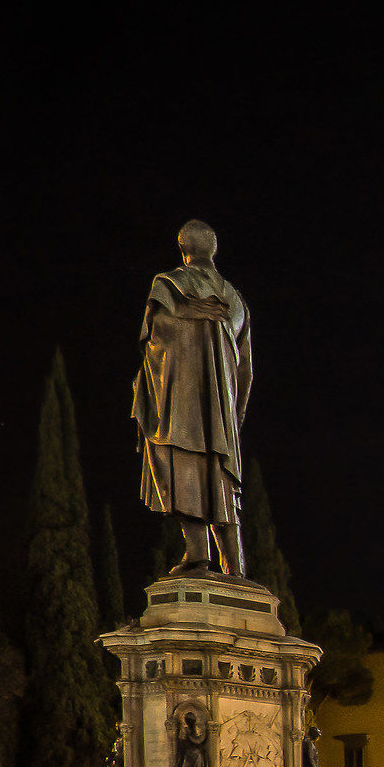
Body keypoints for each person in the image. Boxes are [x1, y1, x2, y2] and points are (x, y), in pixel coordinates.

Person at [132, 220, 252, 574]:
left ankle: (199, 552)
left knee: (180, 466)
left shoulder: (169, 284)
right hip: (221, 413)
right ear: (213, 249)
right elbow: (246, 366)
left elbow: (154, 337)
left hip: (179, 408)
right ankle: (234, 564)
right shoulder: (236, 299)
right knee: (219, 474)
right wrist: (236, 411)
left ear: (182, 247)